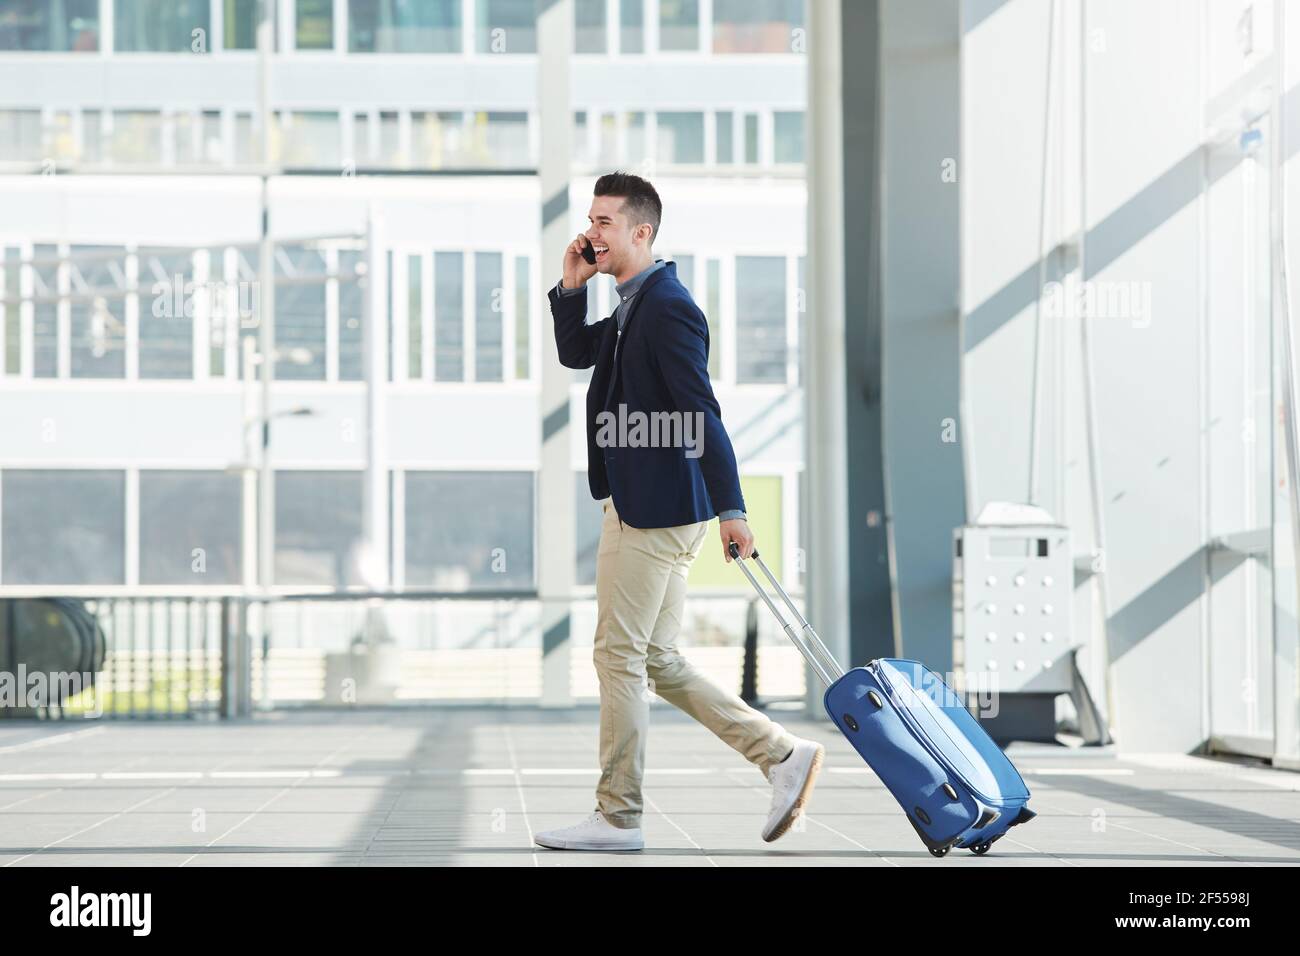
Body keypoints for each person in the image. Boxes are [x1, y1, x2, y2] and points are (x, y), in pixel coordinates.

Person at [533, 172, 824, 852]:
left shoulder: (665, 307)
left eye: (605, 222)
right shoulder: (634, 303)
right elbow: (578, 352)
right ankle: (781, 755)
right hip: (657, 507)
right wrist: (570, 287)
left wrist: (734, 507)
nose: (592, 231)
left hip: (653, 511)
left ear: (641, 232)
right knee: (655, 658)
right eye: (591, 219)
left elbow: (702, 413)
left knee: (617, 656)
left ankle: (618, 816)